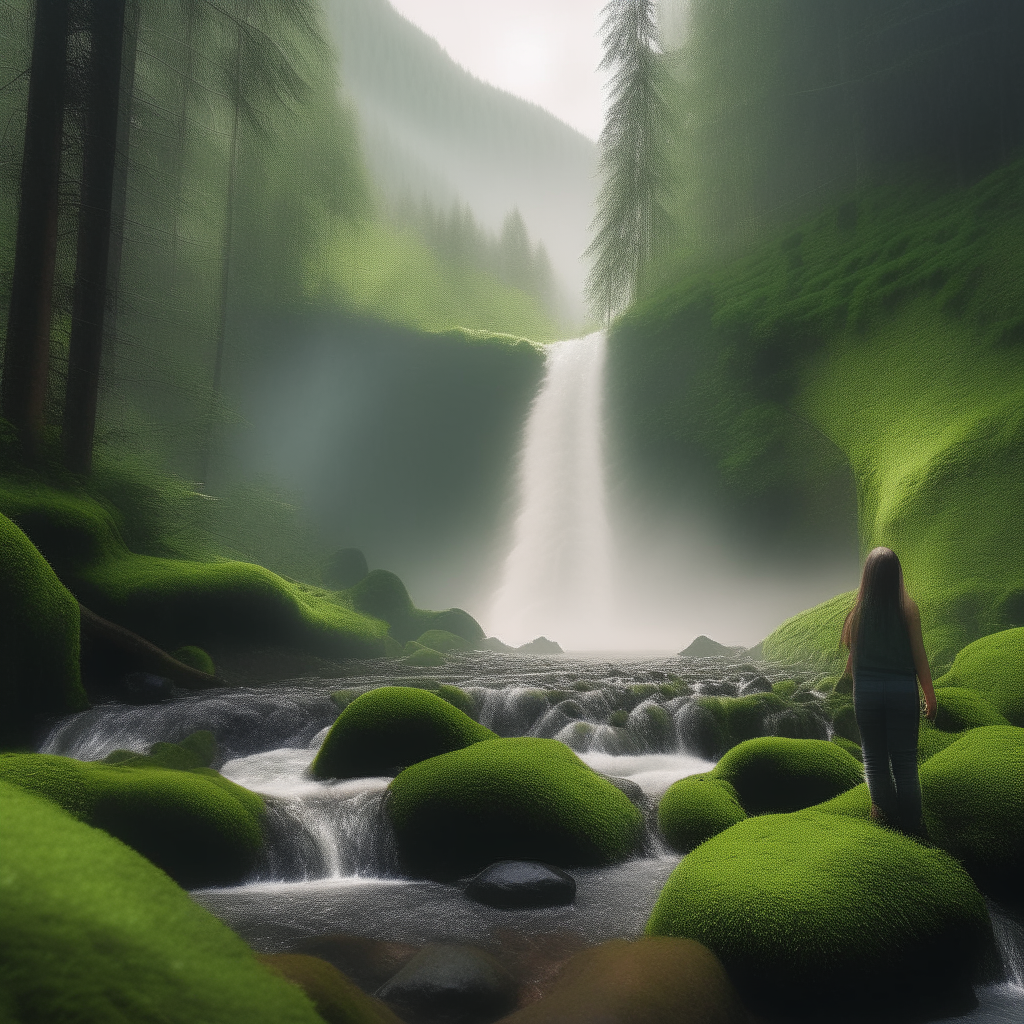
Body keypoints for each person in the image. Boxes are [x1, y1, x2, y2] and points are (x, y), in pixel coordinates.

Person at [841, 547, 937, 837]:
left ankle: (885, 820)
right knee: (905, 763)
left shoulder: (856, 614)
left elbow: (851, 662)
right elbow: (919, 656)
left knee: (874, 760)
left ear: (867, 578)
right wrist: (930, 696)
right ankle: (913, 828)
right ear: (897, 575)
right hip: (901, 692)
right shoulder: (908, 609)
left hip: (866, 694)